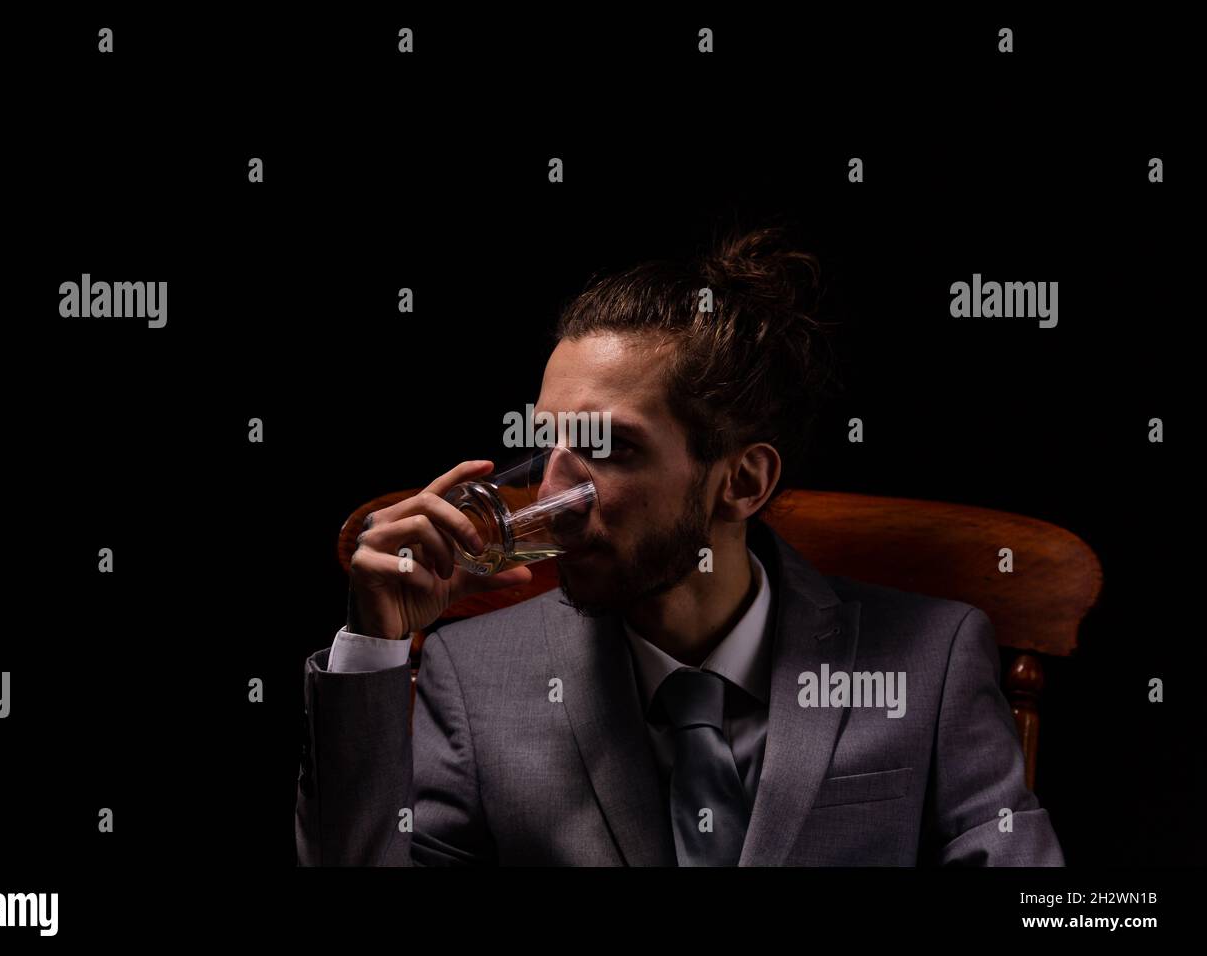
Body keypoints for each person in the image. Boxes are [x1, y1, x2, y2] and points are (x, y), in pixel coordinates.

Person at [294, 226, 1065, 866]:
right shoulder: (475, 676)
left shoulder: (929, 661)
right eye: (545, 444)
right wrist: (376, 648)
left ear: (741, 483)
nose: (556, 495)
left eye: (610, 449)